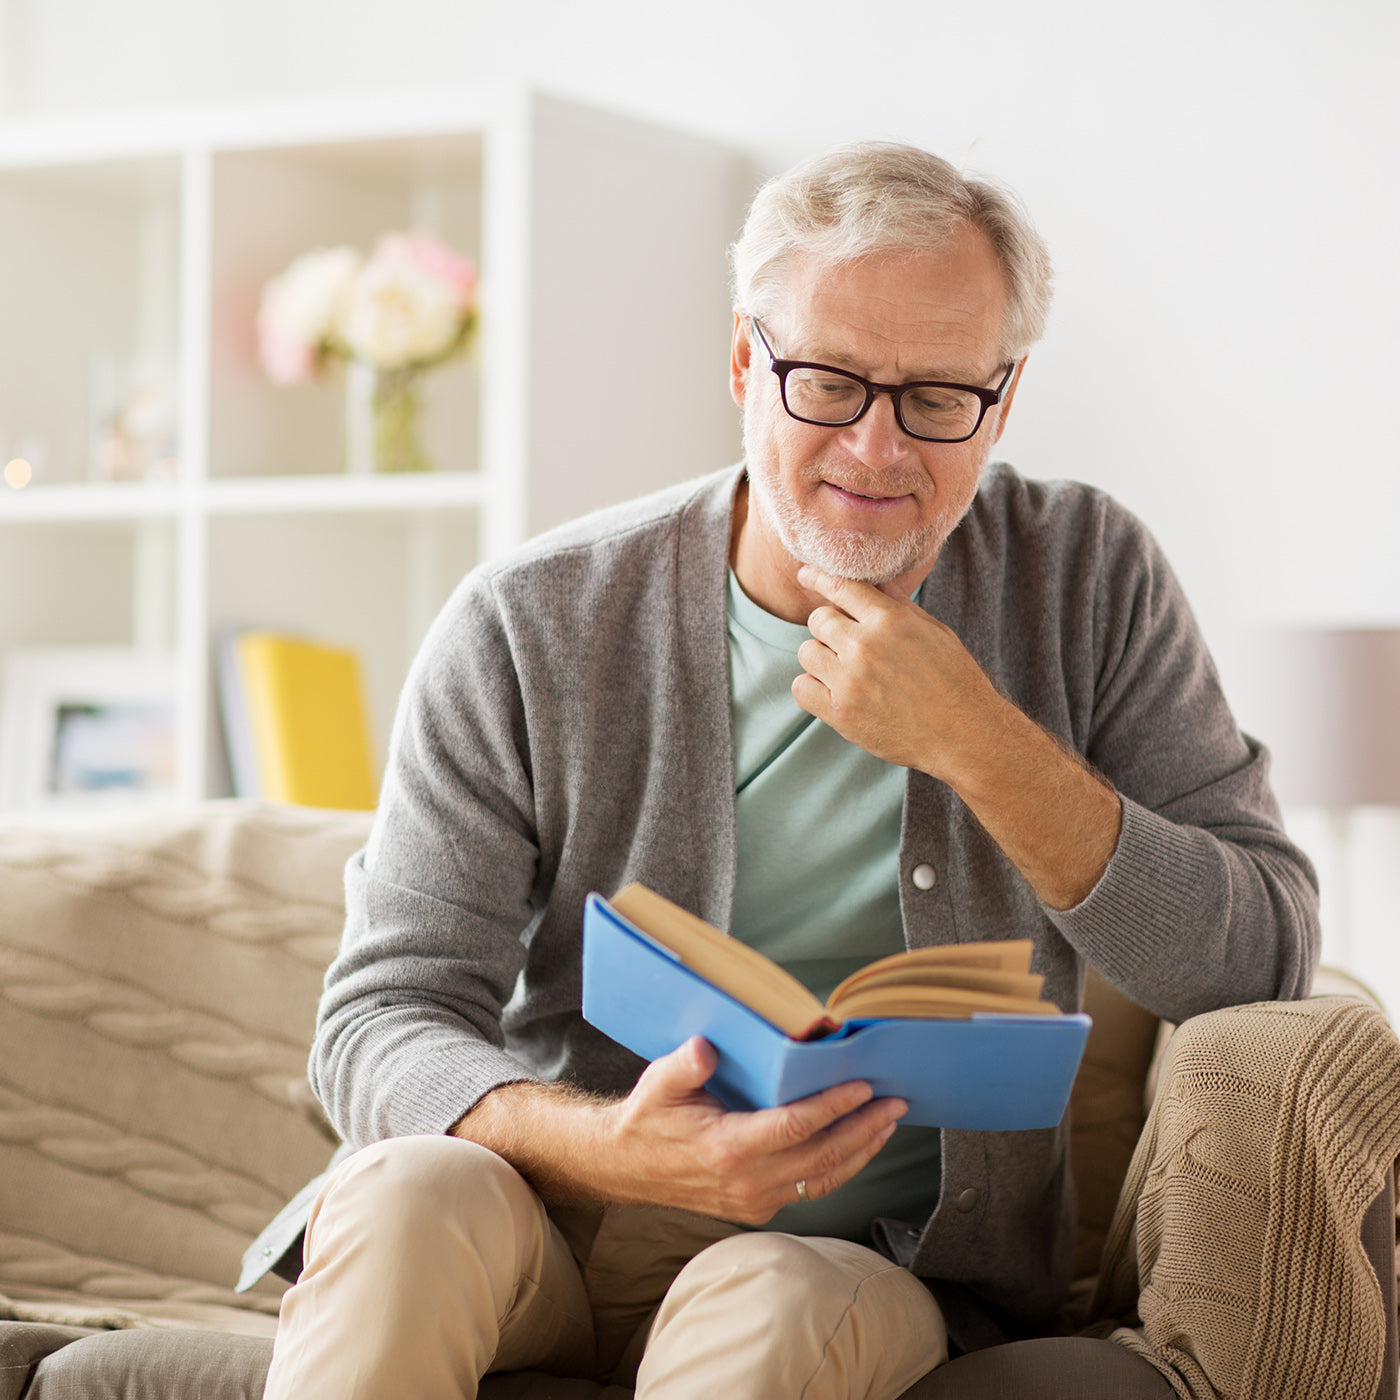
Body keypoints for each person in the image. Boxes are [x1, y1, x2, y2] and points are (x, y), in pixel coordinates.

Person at [257, 141, 1319, 1399]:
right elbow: (377, 1019)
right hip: (552, 1221)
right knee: (400, 1188)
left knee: (768, 1288)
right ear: (741, 362)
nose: (874, 447)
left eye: (935, 396)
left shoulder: (1087, 579)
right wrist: (615, 1147)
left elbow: (1257, 957)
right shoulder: (526, 622)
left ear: (1005, 395)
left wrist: (976, 738)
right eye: (822, 380)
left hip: (864, 1264)